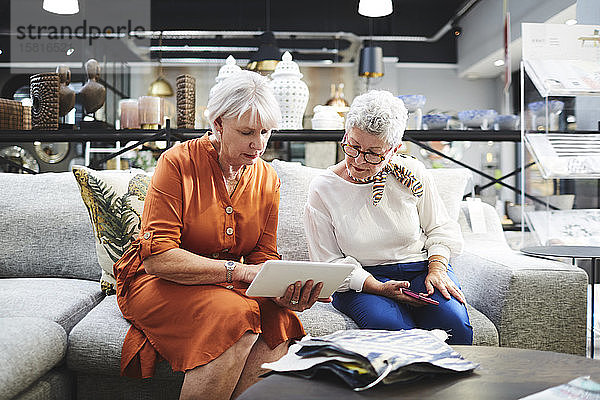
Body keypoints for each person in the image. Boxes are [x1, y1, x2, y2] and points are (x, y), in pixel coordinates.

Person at [114, 70, 323, 400]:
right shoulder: (177, 163)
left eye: (265, 132)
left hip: (220, 285)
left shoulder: (268, 178)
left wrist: (281, 291)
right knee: (236, 315)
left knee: (278, 317)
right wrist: (237, 271)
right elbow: (157, 259)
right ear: (219, 123)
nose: (258, 144)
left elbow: (262, 256)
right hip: (155, 281)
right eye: (246, 132)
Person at [304, 90, 472, 345]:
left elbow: (440, 228)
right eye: (353, 147)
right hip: (360, 280)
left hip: (421, 268)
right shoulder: (323, 188)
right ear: (345, 136)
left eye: (373, 153)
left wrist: (437, 269)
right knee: (389, 328)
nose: (358, 161)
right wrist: (378, 287)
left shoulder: (412, 173)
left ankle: (453, 385)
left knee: (454, 323)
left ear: (394, 149)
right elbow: (328, 261)